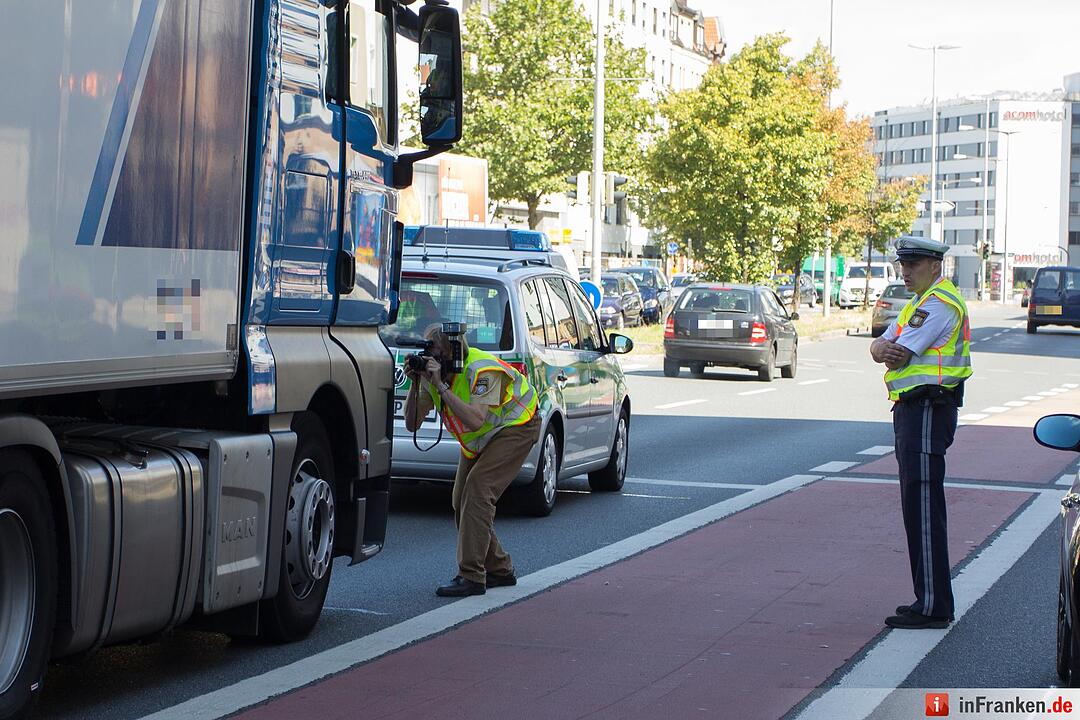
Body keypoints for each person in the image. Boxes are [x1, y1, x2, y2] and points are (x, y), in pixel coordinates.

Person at [869, 236, 972, 630]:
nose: (905, 272)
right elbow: (881, 346)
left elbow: (901, 349)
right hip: (915, 410)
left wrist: (886, 347)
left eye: (913, 265)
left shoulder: (939, 305)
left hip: (929, 408)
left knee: (924, 507)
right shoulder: (918, 303)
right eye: (902, 265)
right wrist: (880, 348)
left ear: (935, 266)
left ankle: (933, 605)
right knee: (917, 506)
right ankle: (928, 599)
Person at [403, 324, 540, 597]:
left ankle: (472, 575)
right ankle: (500, 569)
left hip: (516, 426)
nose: (432, 360)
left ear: (452, 352)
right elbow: (411, 423)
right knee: (460, 501)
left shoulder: (484, 370)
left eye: (436, 353)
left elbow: (476, 418)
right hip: (481, 439)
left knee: (478, 491)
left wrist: (440, 386)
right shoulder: (434, 377)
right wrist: (416, 381)